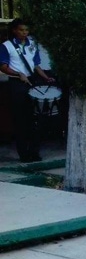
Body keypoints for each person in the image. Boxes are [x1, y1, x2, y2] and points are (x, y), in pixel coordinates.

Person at [0, 18, 56, 162]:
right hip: (17, 84)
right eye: (21, 30)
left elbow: (36, 65)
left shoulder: (32, 44)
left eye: (26, 30)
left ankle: (34, 151)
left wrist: (45, 77)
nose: (24, 33)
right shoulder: (7, 46)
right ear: (14, 30)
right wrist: (18, 74)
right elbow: (3, 67)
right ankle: (24, 154)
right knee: (21, 120)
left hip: (32, 81)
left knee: (35, 119)